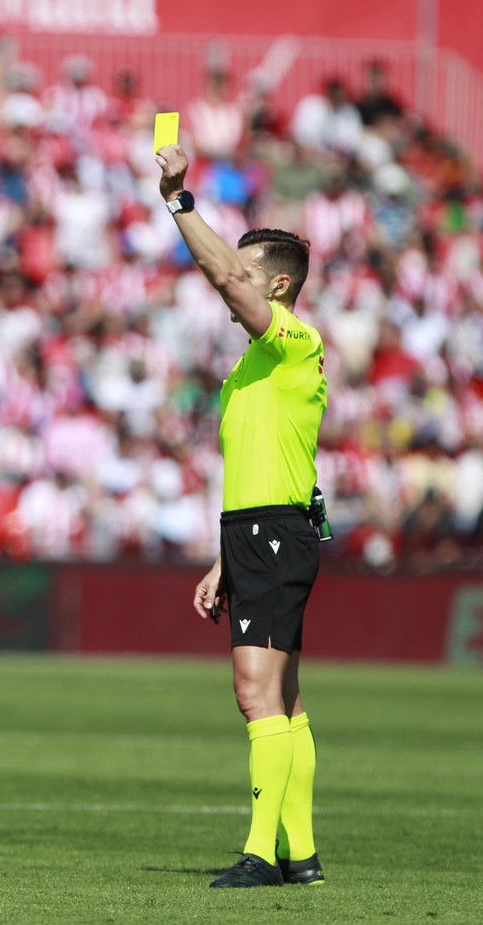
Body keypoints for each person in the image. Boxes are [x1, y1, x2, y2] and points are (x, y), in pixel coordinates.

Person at [156, 143, 329, 888]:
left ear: (279, 285)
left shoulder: (292, 342)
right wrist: (226, 556)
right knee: (283, 697)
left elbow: (223, 275)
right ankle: (301, 854)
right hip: (259, 531)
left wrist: (179, 202)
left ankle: (261, 855)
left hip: (275, 531)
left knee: (254, 693)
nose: (233, 279)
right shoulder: (253, 367)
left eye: (250, 270)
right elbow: (267, 462)